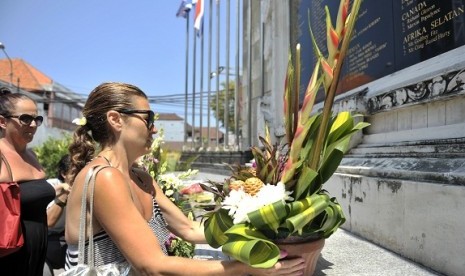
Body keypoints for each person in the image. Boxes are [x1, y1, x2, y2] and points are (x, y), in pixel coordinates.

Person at [64, 82, 305, 275]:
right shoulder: (105, 178)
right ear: (116, 119)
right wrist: (244, 268)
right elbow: (153, 266)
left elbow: (189, 229)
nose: (154, 129)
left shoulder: (141, 178)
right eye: (148, 118)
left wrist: (262, 219)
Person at [0, 89, 56, 276]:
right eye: (25, 118)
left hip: (37, 249)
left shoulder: (31, 154)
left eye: (37, 119)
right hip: (10, 254)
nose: (33, 125)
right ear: (2, 121)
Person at [43, 154, 71, 276]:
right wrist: (64, 195)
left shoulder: (83, 188)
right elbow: (49, 221)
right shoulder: (51, 186)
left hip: (66, 241)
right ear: (64, 174)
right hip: (46, 241)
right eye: (75, 172)